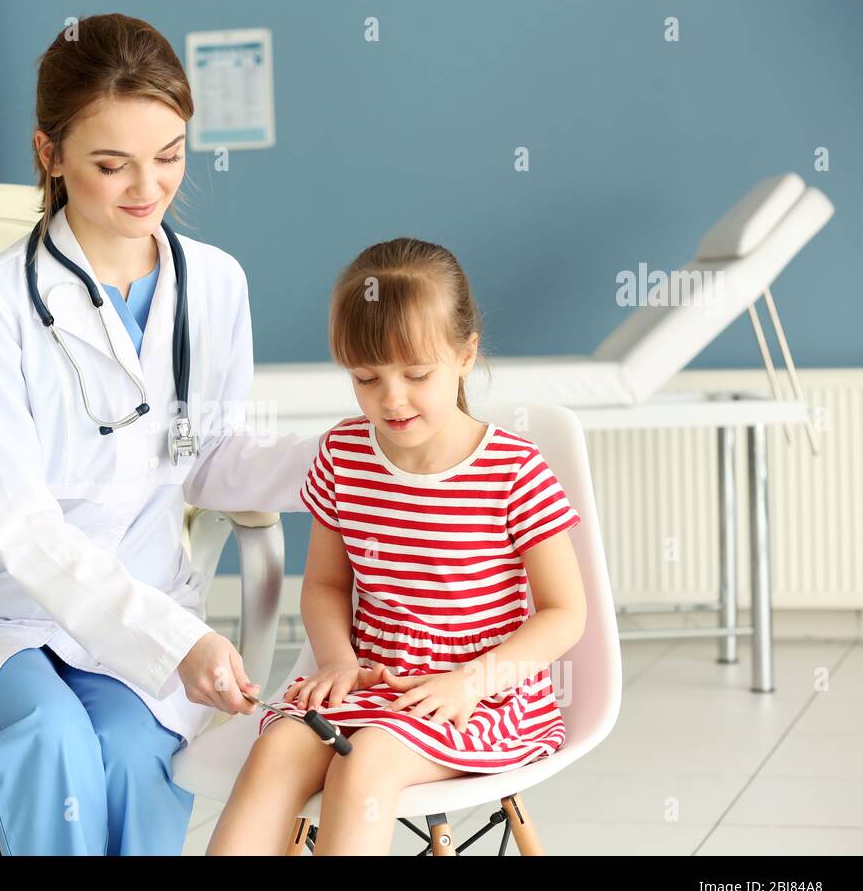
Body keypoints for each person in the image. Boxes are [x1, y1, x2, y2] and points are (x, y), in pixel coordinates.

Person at [0, 13, 327, 856]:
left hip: (142, 596)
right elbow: (24, 527)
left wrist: (348, 456)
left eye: (170, 157)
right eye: (111, 164)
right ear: (49, 154)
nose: (147, 190)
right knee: (54, 742)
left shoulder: (216, 284)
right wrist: (177, 640)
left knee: (134, 756)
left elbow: (208, 459)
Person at [207, 238, 588, 855]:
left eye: (416, 375)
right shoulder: (344, 455)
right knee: (277, 750)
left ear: (465, 357)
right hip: (369, 684)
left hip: (481, 695)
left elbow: (565, 613)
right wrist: (335, 661)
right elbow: (327, 587)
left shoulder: (514, 471)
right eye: (366, 377)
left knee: (366, 763)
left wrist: (469, 683)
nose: (391, 398)